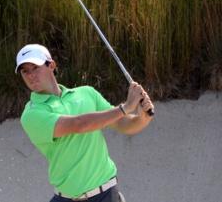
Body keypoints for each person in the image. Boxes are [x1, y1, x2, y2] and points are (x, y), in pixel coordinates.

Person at [15, 44, 154, 202]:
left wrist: (143, 118)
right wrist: (126, 107)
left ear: (51, 65)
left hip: (106, 194)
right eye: (25, 71)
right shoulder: (32, 114)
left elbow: (122, 124)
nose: (30, 75)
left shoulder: (87, 93)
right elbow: (78, 125)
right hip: (67, 198)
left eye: (35, 67)